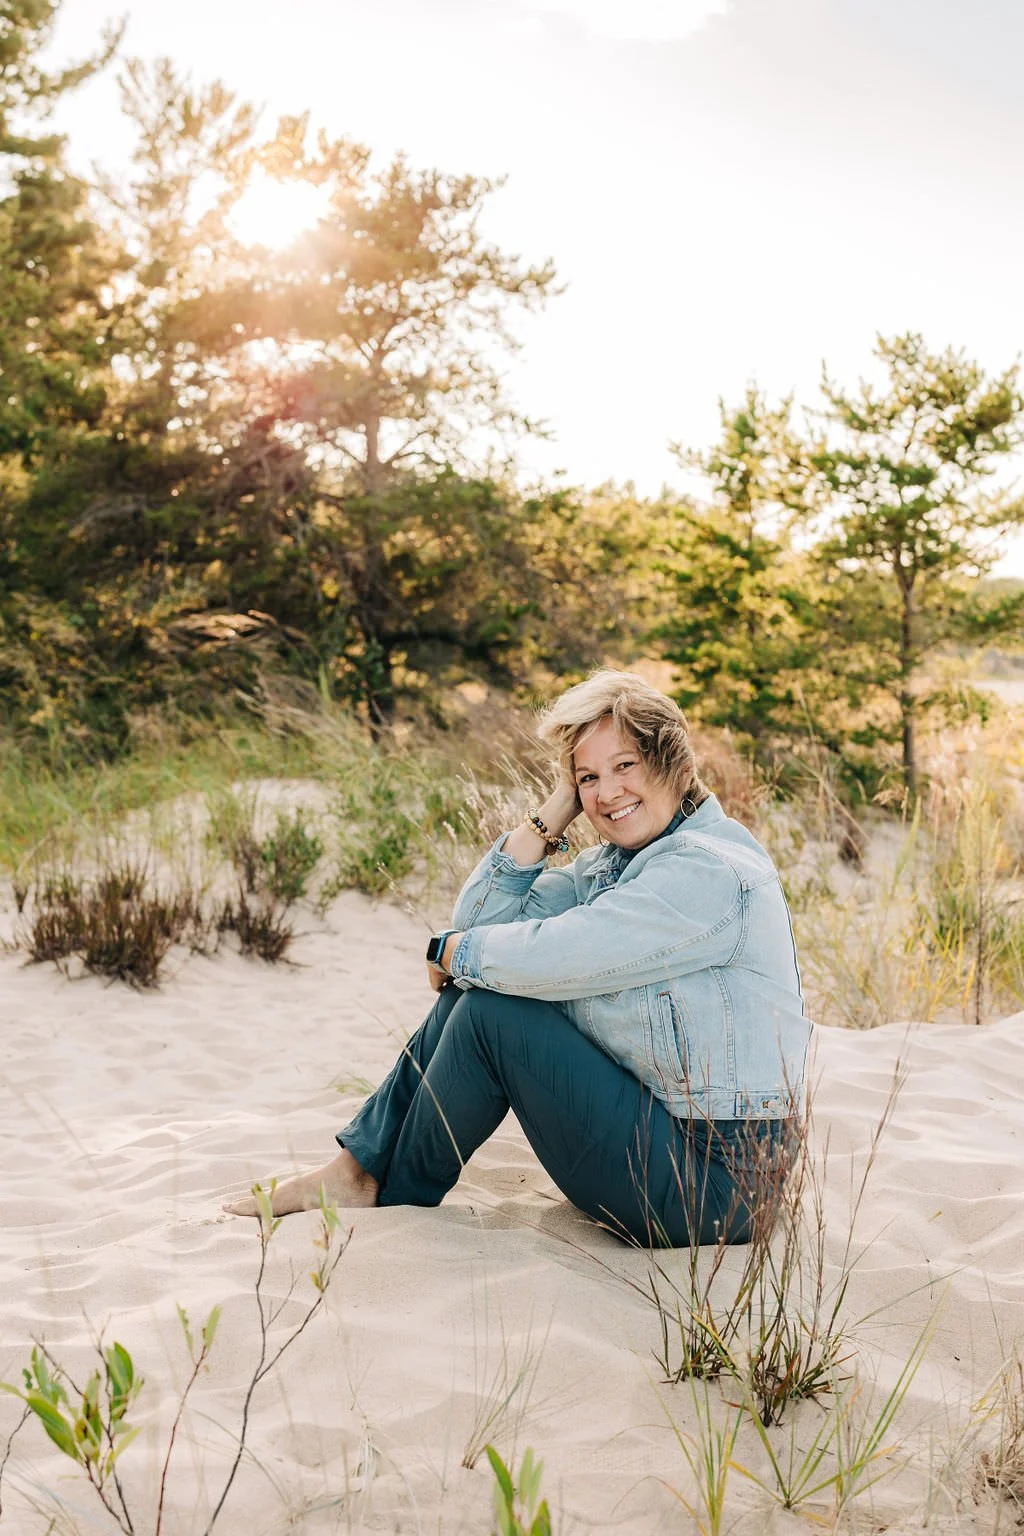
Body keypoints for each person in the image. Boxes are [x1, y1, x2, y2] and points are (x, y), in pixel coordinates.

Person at [225, 670, 810, 1248]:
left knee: (492, 1012)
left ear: (674, 765)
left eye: (625, 765)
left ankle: (392, 1191)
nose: (607, 794)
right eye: (589, 777)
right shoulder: (616, 865)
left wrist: (457, 953)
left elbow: (558, 952)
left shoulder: (708, 869)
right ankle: (358, 1172)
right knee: (475, 989)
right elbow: (480, 925)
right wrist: (555, 810)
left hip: (719, 1184)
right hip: (663, 1139)